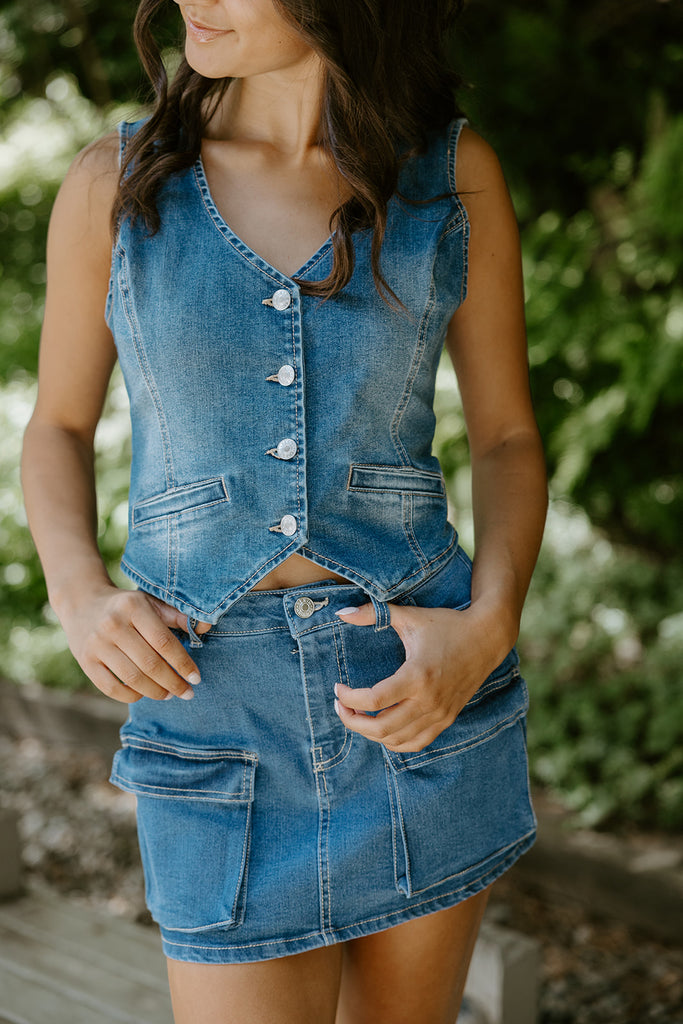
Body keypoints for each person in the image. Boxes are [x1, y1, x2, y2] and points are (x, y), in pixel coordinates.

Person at [21, 1, 548, 1021]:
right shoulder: (117, 183)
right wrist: (79, 594)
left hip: (411, 689)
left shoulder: (451, 175)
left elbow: (506, 440)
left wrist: (485, 630)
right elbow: (57, 428)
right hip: (210, 705)